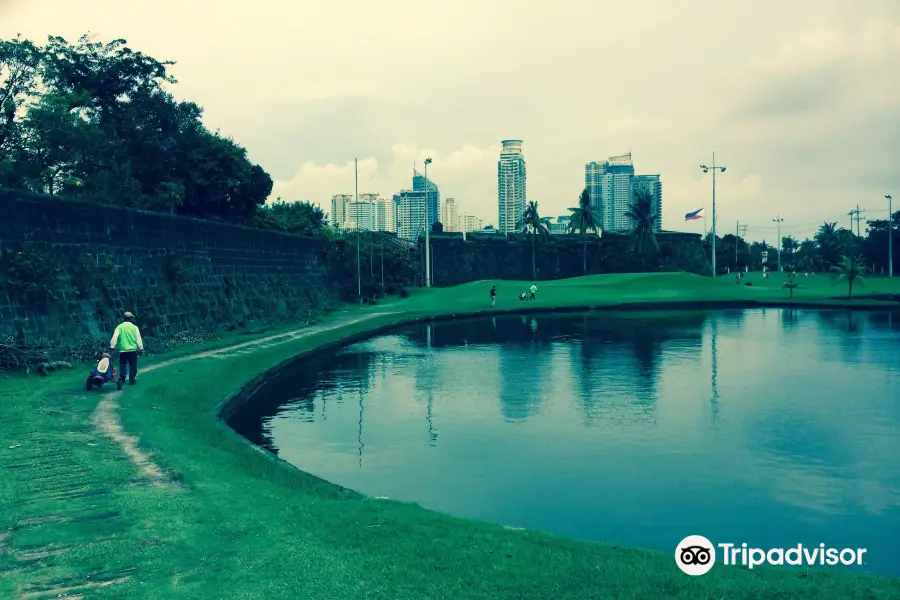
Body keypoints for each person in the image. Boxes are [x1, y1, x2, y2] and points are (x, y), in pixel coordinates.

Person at [110, 311, 144, 390]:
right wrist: (141, 348)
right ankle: (132, 378)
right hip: (132, 351)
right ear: (130, 318)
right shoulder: (134, 327)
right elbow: (138, 339)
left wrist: (112, 346)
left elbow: (115, 337)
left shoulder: (119, 327)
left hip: (123, 351)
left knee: (123, 366)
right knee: (133, 366)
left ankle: (122, 378)